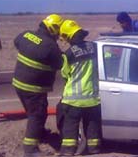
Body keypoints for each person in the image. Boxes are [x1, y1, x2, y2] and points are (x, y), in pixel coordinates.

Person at [13, 14, 64, 157]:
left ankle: (39, 133)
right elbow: (59, 64)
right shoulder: (50, 46)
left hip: (18, 83)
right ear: (53, 29)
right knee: (37, 114)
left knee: (32, 111)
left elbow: (16, 42)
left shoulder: (26, 35)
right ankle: (30, 149)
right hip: (33, 88)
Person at [57, 20, 101, 156]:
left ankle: (68, 151)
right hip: (92, 99)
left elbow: (65, 74)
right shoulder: (95, 47)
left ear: (68, 37)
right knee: (92, 125)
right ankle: (94, 149)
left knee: (70, 127)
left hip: (73, 100)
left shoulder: (68, 54)